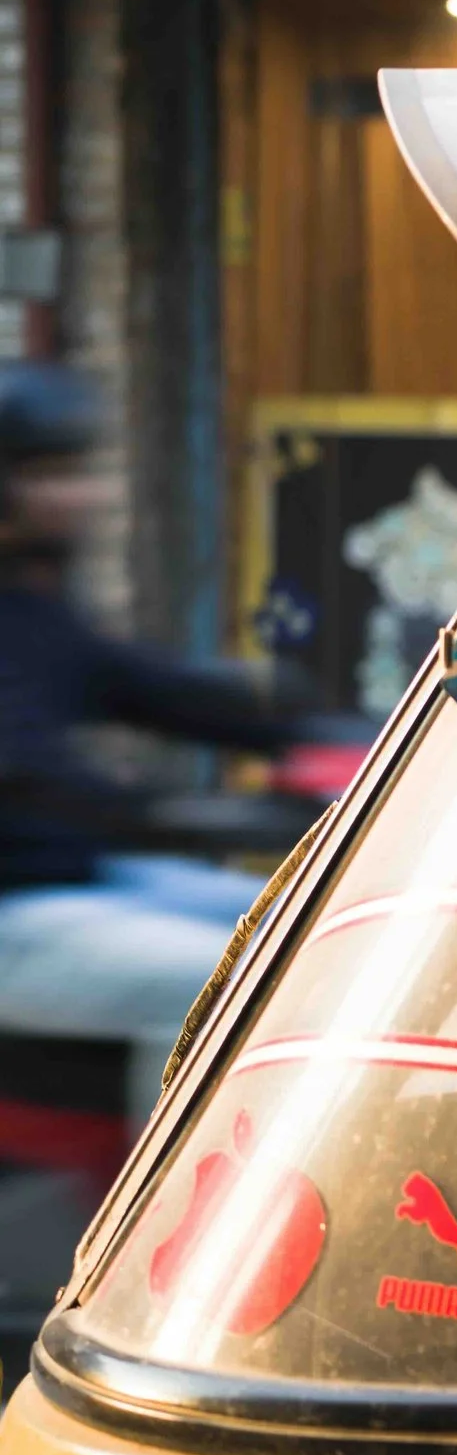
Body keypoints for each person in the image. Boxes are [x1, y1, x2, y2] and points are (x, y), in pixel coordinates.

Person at [0, 365, 298, 1118]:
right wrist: (170, 812)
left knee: (305, 923)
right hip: (17, 913)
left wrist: (299, 720)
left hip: (82, 881)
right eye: (53, 475)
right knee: (220, 988)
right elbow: (27, 769)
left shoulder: (32, 607)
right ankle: (165, 1194)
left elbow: (142, 685)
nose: (89, 495)